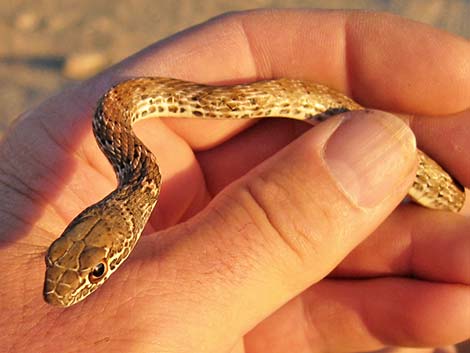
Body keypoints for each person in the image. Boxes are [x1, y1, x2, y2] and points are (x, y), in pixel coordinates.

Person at [0, 9, 468, 353]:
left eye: (95, 270)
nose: (61, 291)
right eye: (93, 271)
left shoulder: (117, 121)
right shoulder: (117, 133)